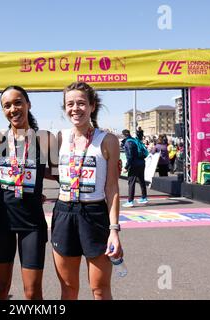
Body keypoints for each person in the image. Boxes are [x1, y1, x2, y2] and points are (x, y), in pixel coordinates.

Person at [50, 82, 122, 300]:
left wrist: (114, 230)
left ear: (92, 106)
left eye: (81, 103)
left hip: (95, 215)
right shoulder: (59, 137)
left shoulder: (107, 140)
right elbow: (54, 173)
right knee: (69, 289)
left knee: (99, 289)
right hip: (64, 214)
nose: (75, 109)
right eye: (70, 104)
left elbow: (112, 188)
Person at [0, 85, 57, 300]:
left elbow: (56, 173)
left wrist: (32, 190)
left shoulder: (44, 138)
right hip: (1, 221)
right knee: (0, 288)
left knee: (32, 292)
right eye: (7, 105)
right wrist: (12, 192)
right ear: (3, 111)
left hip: (31, 224)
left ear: (28, 104)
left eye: (18, 102)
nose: (13, 109)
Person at [121, 129, 148, 208]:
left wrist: (126, 167)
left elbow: (129, 157)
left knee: (131, 182)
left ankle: (130, 201)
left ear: (123, 135)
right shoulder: (135, 140)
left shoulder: (128, 143)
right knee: (141, 180)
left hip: (134, 164)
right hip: (141, 162)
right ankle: (144, 197)